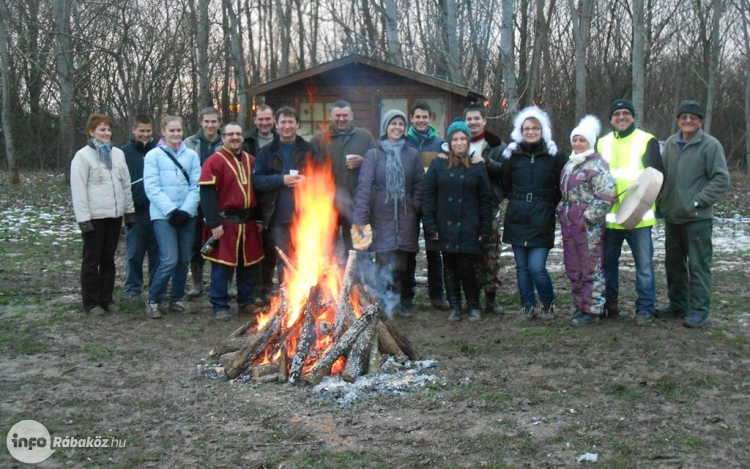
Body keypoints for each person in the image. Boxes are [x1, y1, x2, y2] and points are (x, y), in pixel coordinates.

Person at [656, 100, 729, 328]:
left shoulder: (710, 145)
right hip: (673, 217)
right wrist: (661, 201)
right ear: (678, 120)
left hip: (697, 219)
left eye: (693, 117)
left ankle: (698, 310)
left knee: (698, 266)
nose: (688, 120)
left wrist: (699, 200)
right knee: (673, 264)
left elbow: (721, 179)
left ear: (700, 121)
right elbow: (663, 177)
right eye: (684, 116)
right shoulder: (670, 143)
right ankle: (678, 305)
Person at [596, 99, 664, 326]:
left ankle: (645, 308)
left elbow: (657, 177)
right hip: (609, 218)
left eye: (626, 113)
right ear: (611, 119)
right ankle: (609, 304)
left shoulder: (647, 140)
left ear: (633, 117)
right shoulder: (601, 143)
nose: (621, 117)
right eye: (617, 114)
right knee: (607, 265)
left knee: (644, 267)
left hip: (639, 218)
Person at [352, 110, 423, 317]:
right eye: (393, 123)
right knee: (384, 259)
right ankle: (385, 302)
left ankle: (400, 302)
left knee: (403, 260)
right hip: (381, 214)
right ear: (386, 127)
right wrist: (361, 220)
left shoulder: (412, 154)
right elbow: (364, 188)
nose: (397, 127)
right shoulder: (374, 154)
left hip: (405, 214)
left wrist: (414, 204)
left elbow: (419, 183)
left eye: (401, 124)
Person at [423, 119, 493, 322]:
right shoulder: (438, 164)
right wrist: (430, 225)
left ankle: (473, 305)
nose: (460, 143)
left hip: (470, 225)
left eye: (463, 138)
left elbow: (485, 200)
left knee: (466, 266)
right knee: (449, 266)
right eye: (455, 139)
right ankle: (455, 305)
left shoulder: (477, 166)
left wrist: (485, 227)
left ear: (468, 141)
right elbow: (428, 196)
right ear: (450, 142)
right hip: (445, 224)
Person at [500, 106, 567, 319]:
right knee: (521, 268)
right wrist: (519, 200)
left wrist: (547, 204)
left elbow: (562, 185)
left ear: (542, 130)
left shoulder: (554, 155)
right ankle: (528, 306)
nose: (530, 132)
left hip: (542, 217)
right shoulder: (512, 155)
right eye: (526, 128)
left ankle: (548, 303)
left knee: (536, 267)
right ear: (520, 131)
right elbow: (505, 183)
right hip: (517, 216)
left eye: (535, 128)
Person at [199, 123, 265, 321]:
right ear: (223, 138)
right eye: (230, 134)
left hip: (248, 221)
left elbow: (259, 192)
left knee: (248, 265)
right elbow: (207, 194)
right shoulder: (214, 162)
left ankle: (246, 301)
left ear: (243, 137)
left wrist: (259, 217)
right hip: (225, 222)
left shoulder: (251, 160)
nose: (235, 137)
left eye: (238, 134)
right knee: (222, 266)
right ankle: (220, 304)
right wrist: (213, 223)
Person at [70, 114, 135, 315]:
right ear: (92, 132)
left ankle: (107, 299)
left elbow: (125, 184)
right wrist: (83, 219)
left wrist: (129, 211)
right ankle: (91, 302)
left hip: (114, 216)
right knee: (92, 260)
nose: (106, 133)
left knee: (109, 259)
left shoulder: (117, 154)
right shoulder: (82, 156)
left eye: (108, 129)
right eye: (101, 129)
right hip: (93, 217)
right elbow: (78, 190)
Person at [558, 116, 616, 326]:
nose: (577, 144)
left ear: (590, 142)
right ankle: (580, 306)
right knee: (573, 268)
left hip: (587, 227)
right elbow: (565, 195)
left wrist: (588, 217)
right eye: (575, 140)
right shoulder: (570, 164)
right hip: (568, 224)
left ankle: (593, 310)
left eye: (582, 140)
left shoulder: (597, 165)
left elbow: (606, 195)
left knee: (590, 267)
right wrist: (561, 212)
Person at [252, 106, 320, 282]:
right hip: (278, 217)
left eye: (291, 122)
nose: (287, 126)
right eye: (283, 122)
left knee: (307, 259)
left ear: (297, 124)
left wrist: (308, 181)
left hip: (306, 215)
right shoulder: (267, 152)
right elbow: (257, 180)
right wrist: (282, 179)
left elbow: (324, 179)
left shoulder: (309, 150)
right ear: (277, 124)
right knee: (284, 261)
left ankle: (307, 299)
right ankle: (288, 302)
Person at [143, 116, 201, 319]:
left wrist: (185, 210)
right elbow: (152, 187)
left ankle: (177, 297)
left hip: (187, 215)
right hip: (163, 215)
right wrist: (171, 210)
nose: (176, 134)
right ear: (163, 132)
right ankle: (153, 298)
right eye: (172, 131)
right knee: (169, 259)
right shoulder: (153, 156)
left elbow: (197, 185)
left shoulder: (192, 156)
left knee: (184, 259)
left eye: (179, 130)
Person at [310, 100, 375, 267]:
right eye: (337, 115)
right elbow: (309, 168)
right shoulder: (318, 139)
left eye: (345, 115)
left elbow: (376, 164)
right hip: (327, 203)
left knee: (357, 249)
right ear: (330, 117)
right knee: (324, 249)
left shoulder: (365, 136)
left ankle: (356, 287)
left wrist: (363, 161)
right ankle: (323, 287)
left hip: (356, 203)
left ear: (351, 116)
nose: (341, 119)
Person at [404, 100, 448, 311]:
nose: (421, 120)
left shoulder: (440, 144)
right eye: (417, 117)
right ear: (411, 118)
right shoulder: (404, 142)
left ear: (430, 119)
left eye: (425, 117)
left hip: (434, 204)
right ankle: (407, 294)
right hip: (410, 203)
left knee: (434, 250)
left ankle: (437, 295)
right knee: (409, 250)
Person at [464, 103, 508, 316]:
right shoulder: (457, 142)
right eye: (469, 119)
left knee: (490, 253)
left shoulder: (497, 145)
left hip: (489, 207)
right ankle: (472, 297)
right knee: (468, 254)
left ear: (484, 121)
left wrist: (487, 162)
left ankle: (492, 298)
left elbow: (507, 173)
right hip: (465, 208)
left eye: (476, 119)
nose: (472, 123)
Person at [184, 107, 223, 298]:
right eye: (206, 121)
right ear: (201, 122)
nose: (210, 125)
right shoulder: (190, 143)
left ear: (219, 123)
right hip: (195, 198)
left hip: (220, 199)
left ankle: (226, 283)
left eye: (214, 121)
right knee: (195, 241)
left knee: (222, 240)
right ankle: (197, 283)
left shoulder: (225, 142)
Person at [242, 105, 278, 305]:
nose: (264, 123)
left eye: (268, 119)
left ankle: (266, 288)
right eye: (260, 119)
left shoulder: (280, 140)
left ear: (273, 120)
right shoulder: (247, 141)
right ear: (255, 120)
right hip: (251, 198)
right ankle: (252, 290)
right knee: (253, 248)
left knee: (271, 248)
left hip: (274, 201)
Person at [122, 114, 160, 300]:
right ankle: (133, 288)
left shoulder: (159, 151)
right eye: (141, 131)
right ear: (134, 130)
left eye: (148, 131)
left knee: (157, 252)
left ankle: (156, 287)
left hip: (157, 211)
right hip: (136, 211)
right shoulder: (124, 153)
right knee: (134, 252)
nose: (145, 134)